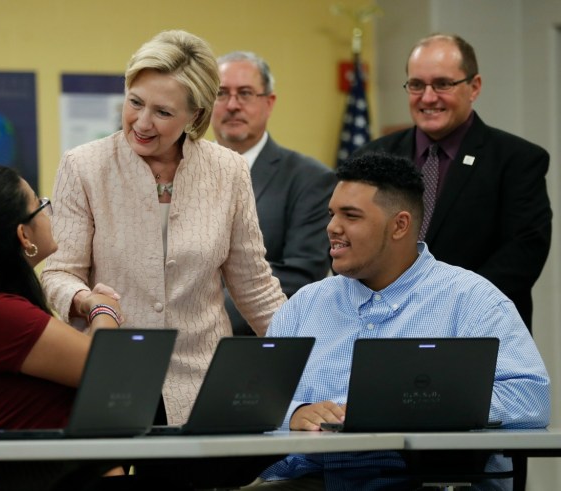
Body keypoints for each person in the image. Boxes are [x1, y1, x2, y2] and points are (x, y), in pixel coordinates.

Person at [243, 153, 550, 489]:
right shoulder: (303, 305)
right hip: (310, 480)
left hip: (427, 481)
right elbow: (254, 400)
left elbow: (529, 398)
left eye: (351, 216)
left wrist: (420, 406)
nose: (332, 227)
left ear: (400, 225)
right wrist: (297, 412)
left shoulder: (473, 301)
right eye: (332, 214)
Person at [41, 30, 286, 425]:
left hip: (203, 380)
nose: (142, 122)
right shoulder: (83, 166)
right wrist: (89, 302)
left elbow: (255, 286)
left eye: (163, 112)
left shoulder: (229, 170)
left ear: (196, 114)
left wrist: (306, 362)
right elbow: (60, 272)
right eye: (135, 103)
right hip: (114, 374)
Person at [354, 33, 552, 333]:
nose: (428, 97)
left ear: (474, 87)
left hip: (474, 330)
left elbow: (522, 255)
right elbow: (352, 240)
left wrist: (441, 308)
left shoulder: (517, 160)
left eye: (443, 84)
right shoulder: (371, 157)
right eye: (417, 85)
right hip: (382, 328)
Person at [0, 165, 123, 490]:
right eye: (40, 205)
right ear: (24, 235)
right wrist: (103, 307)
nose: (48, 211)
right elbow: (102, 367)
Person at [211, 51, 336, 336]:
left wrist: (206, 316)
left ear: (269, 102)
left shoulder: (310, 179)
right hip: (180, 346)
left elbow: (301, 273)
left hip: (254, 344)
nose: (232, 105)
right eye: (221, 93)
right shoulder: (181, 172)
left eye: (245, 93)